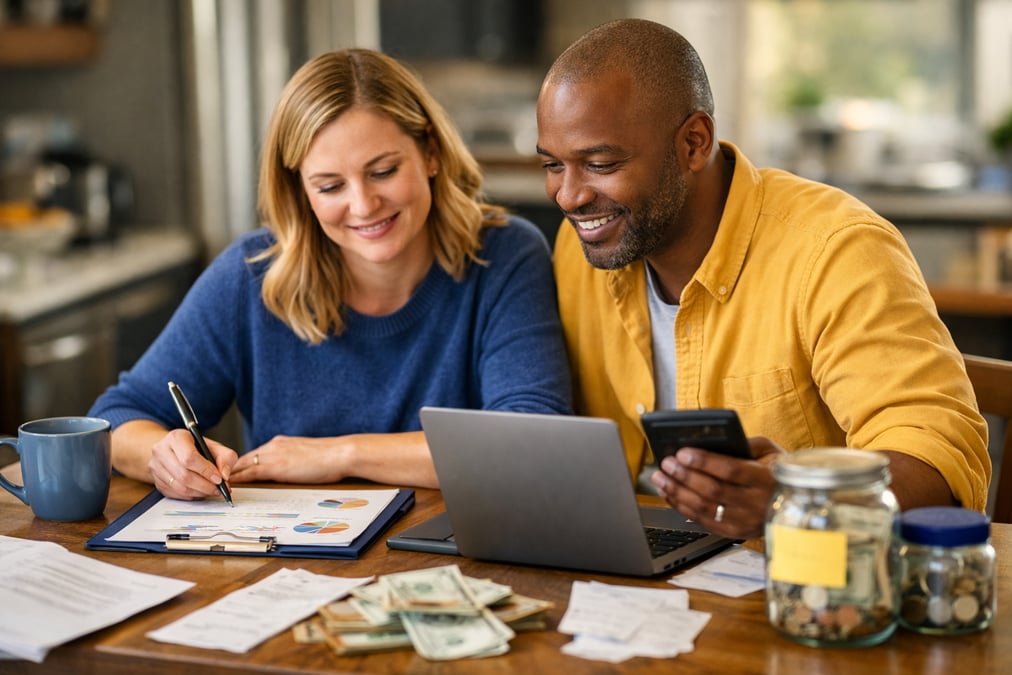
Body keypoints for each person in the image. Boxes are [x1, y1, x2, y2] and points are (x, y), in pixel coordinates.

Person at [536, 18, 990, 540]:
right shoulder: (581, 250)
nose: (569, 196)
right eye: (552, 165)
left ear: (693, 143)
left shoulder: (834, 249)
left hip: (806, 588)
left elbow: (934, 458)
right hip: (633, 579)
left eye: (600, 163)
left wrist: (800, 504)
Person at [90, 48, 571, 500]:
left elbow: (532, 444)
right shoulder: (252, 275)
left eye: (382, 171)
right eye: (330, 185)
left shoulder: (506, 255)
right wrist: (165, 458)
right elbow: (116, 418)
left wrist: (339, 454)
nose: (362, 205)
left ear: (430, 152)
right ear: (299, 188)